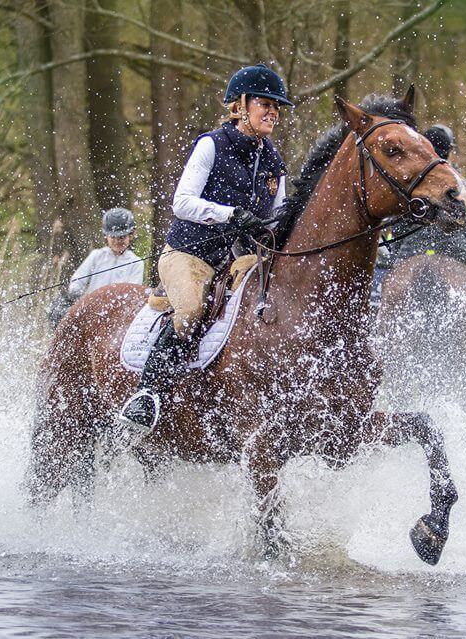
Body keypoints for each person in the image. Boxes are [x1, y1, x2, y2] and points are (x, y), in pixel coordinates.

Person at [117, 63, 291, 439]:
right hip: (189, 255)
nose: (273, 112)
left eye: (277, 106)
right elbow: (182, 202)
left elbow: (276, 220)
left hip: (238, 260)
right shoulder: (212, 144)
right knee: (193, 309)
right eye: (265, 103)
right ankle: (148, 394)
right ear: (240, 105)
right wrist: (232, 215)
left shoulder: (274, 161)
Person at [376, 124, 466, 310]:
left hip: (407, 253)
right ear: (449, 151)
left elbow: (395, 223)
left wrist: (397, 250)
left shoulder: (409, 178)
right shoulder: (456, 180)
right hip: (456, 250)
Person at [47, 207, 145, 327]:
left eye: (121, 237)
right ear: (106, 236)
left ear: (130, 235)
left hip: (117, 314)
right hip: (90, 308)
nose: (117, 241)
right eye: (113, 237)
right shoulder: (96, 256)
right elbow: (77, 280)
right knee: (59, 310)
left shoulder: (136, 263)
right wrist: (78, 297)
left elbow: (132, 293)